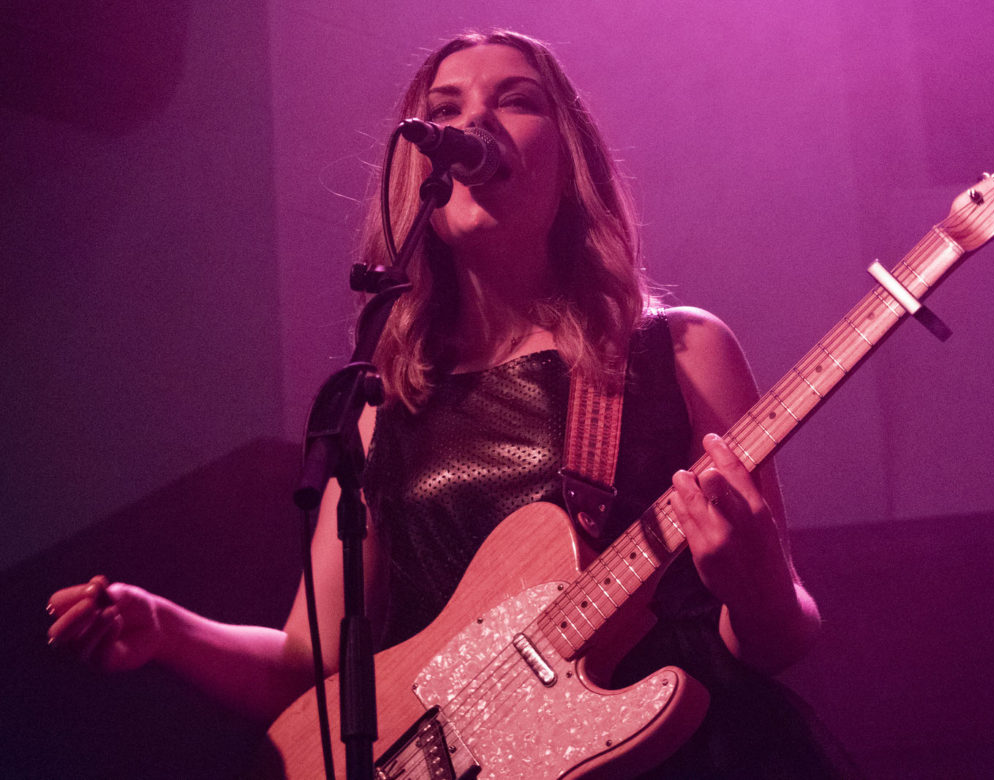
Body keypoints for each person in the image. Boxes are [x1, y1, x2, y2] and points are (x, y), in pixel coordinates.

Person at [47, 30, 851, 778]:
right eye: (445, 111)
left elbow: (781, 634)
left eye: (516, 99)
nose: (475, 122)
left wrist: (755, 587)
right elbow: (314, 670)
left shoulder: (678, 351)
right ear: (418, 171)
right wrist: (165, 629)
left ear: (569, 159)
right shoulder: (383, 404)